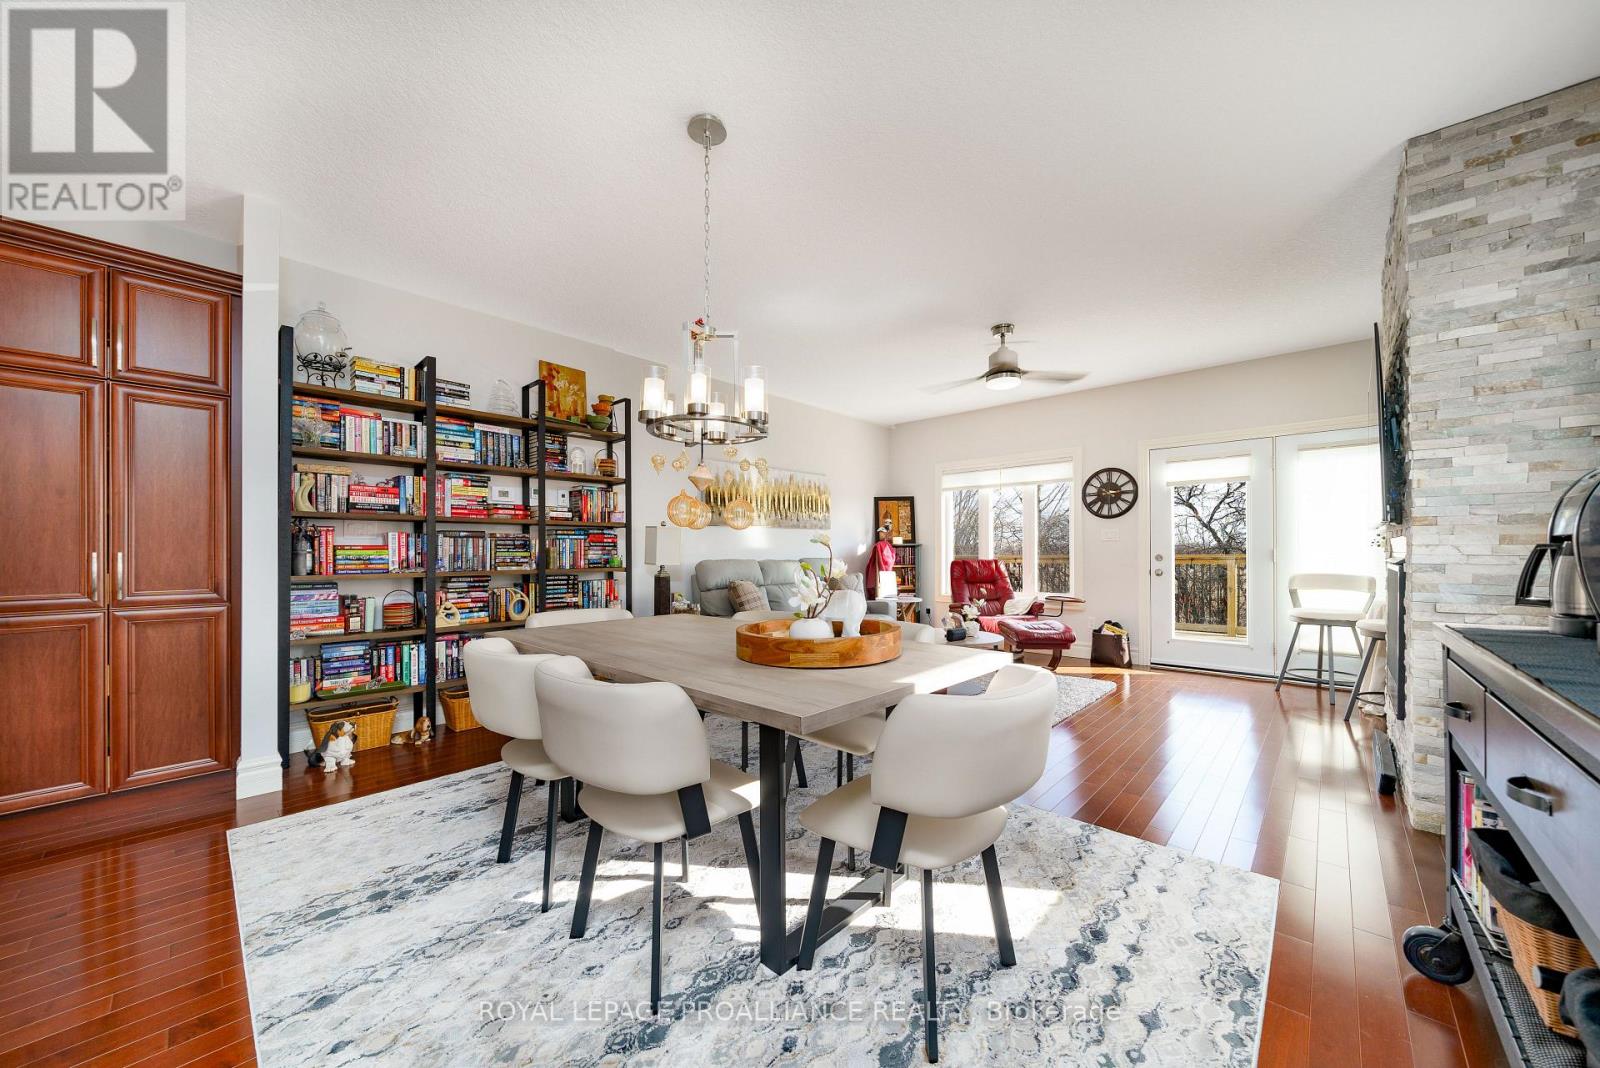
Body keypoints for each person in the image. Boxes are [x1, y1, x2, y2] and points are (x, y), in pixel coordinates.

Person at [869, 525, 897, 600]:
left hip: (885, 570)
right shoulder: (879, 545)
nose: (880, 535)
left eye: (882, 533)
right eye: (879, 533)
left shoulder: (886, 545)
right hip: (881, 570)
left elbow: (890, 556)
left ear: (886, 534)